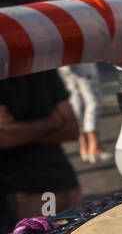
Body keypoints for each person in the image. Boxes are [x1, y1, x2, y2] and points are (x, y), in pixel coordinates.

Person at [0, 69, 82, 224]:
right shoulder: (41, 65)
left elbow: (72, 129)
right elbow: (5, 139)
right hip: (33, 191)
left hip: (43, 192)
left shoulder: (41, 68)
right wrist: (52, 122)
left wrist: (18, 131)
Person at [44, 0, 108, 164]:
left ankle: (84, 145)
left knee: (76, 100)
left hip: (61, 60)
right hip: (79, 56)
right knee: (92, 99)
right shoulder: (68, 7)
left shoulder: (45, 8)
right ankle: (93, 144)